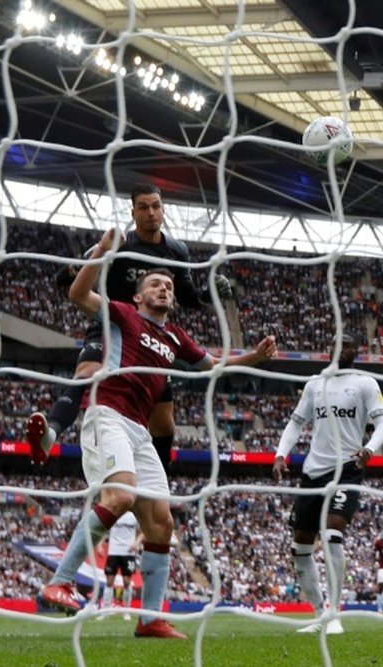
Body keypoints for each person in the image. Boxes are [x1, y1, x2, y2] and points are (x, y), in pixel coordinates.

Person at [39, 228, 276, 639]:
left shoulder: (175, 337)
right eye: (155, 284)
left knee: (162, 522)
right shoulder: (121, 314)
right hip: (107, 413)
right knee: (120, 496)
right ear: (138, 295)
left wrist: (253, 356)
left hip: (139, 431)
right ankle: (57, 583)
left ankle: (149, 619)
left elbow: (213, 367)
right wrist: (101, 253)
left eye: (168, 285)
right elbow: (78, 295)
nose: (165, 289)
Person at [25, 182, 233, 468]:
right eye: (144, 207)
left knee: (164, 425)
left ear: (163, 210)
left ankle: (156, 489)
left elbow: (188, 299)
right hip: (112, 323)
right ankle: (51, 433)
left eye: (156, 206)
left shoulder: (177, 251)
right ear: (133, 212)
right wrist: (97, 252)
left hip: (150, 337)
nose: (151, 212)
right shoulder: (120, 244)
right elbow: (64, 277)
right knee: (87, 372)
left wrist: (209, 296)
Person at [272, 332, 383, 635]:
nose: (342, 348)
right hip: (313, 472)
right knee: (300, 547)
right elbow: (296, 423)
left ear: (356, 351)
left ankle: (336, 613)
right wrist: (280, 455)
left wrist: (370, 449)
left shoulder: (366, 384)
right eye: (337, 343)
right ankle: (319, 614)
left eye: (348, 344)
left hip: (347, 469)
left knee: (332, 533)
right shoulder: (314, 385)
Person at [100, 510, 142, 620]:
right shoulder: (113, 514)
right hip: (113, 551)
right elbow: (105, 531)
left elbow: (142, 532)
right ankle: (105, 610)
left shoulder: (134, 516)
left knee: (127, 582)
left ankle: (126, 611)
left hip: (128, 552)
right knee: (109, 580)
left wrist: (136, 543)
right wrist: (99, 544)